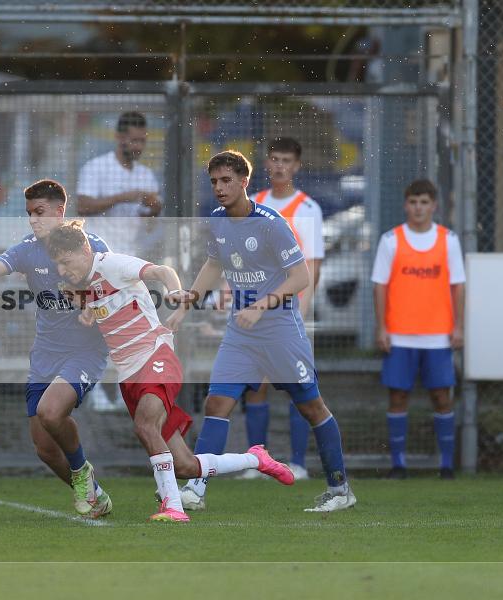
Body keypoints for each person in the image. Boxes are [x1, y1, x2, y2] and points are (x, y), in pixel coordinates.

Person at [46, 221, 295, 523]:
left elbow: (162, 272)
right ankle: (256, 458)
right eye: (57, 264)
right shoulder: (85, 283)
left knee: (145, 425)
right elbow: (105, 306)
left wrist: (175, 290)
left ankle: (173, 506)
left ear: (84, 250)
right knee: (185, 465)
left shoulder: (110, 264)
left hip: (155, 355)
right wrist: (87, 311)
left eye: (65, 261)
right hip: (130, 376)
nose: (61, 270)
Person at [169, 150, 357, 513]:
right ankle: (196, 487)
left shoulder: (271, 223)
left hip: (280, 330)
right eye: (214, 182)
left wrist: (260, 305)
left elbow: (300, 277)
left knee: (312, 407)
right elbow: (213, 263)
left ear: (244, 182)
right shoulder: (218, 221)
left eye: (226, 181)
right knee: (217, 403)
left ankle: (339, 489)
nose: (220, 188)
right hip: (241, 332)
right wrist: (186, 305)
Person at [0, 179, 113, 518]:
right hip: (46, 354)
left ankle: (82, 471)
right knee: (46, 449)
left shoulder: (90, 246)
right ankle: (95, 494)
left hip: (85, 353)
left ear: (59, 211)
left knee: (52, 412)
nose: (33, 220)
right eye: (29, 214)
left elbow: (114, 289)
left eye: (40, 212)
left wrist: (94, 308)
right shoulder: (26, 249)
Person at [242, 137, 325, 481]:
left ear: (297, 166)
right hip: (258, 311)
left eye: (286, 160)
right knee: (256, 384)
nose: (279, 166)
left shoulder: (308, 209)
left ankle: (298, 463)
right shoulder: (254, 204)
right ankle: (256, 463)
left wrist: (301, 312)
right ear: (266, 163)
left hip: (290, 314)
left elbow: (312, 265)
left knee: (296, 386)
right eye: (274, 159)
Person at [370, 179, 465, 480]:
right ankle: (398, 465)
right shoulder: (391, 240)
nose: (419, 208)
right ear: (405, 204)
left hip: (438, 335)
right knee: (398, 397)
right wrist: (382, 327)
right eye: (413, 202)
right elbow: (380, 286)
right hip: (399, 334)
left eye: (424, 202)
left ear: (434, 205)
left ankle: (446, 465)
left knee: (442, 397)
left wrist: (458, 326)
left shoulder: (448, 240)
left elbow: (457, 286)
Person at [76, 111, 163, 409]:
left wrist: (153, 209)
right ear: (119, 137)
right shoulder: (97, 168)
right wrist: (124, 196)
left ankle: (125, 391)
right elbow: (83, 205)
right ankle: (95, 391)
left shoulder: (146, 175)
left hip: (130, 261)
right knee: (100, 327)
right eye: (132, 139)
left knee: (129, 328)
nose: (137, 145)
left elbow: (149, 223)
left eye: (142, 140)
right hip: (99, 261)